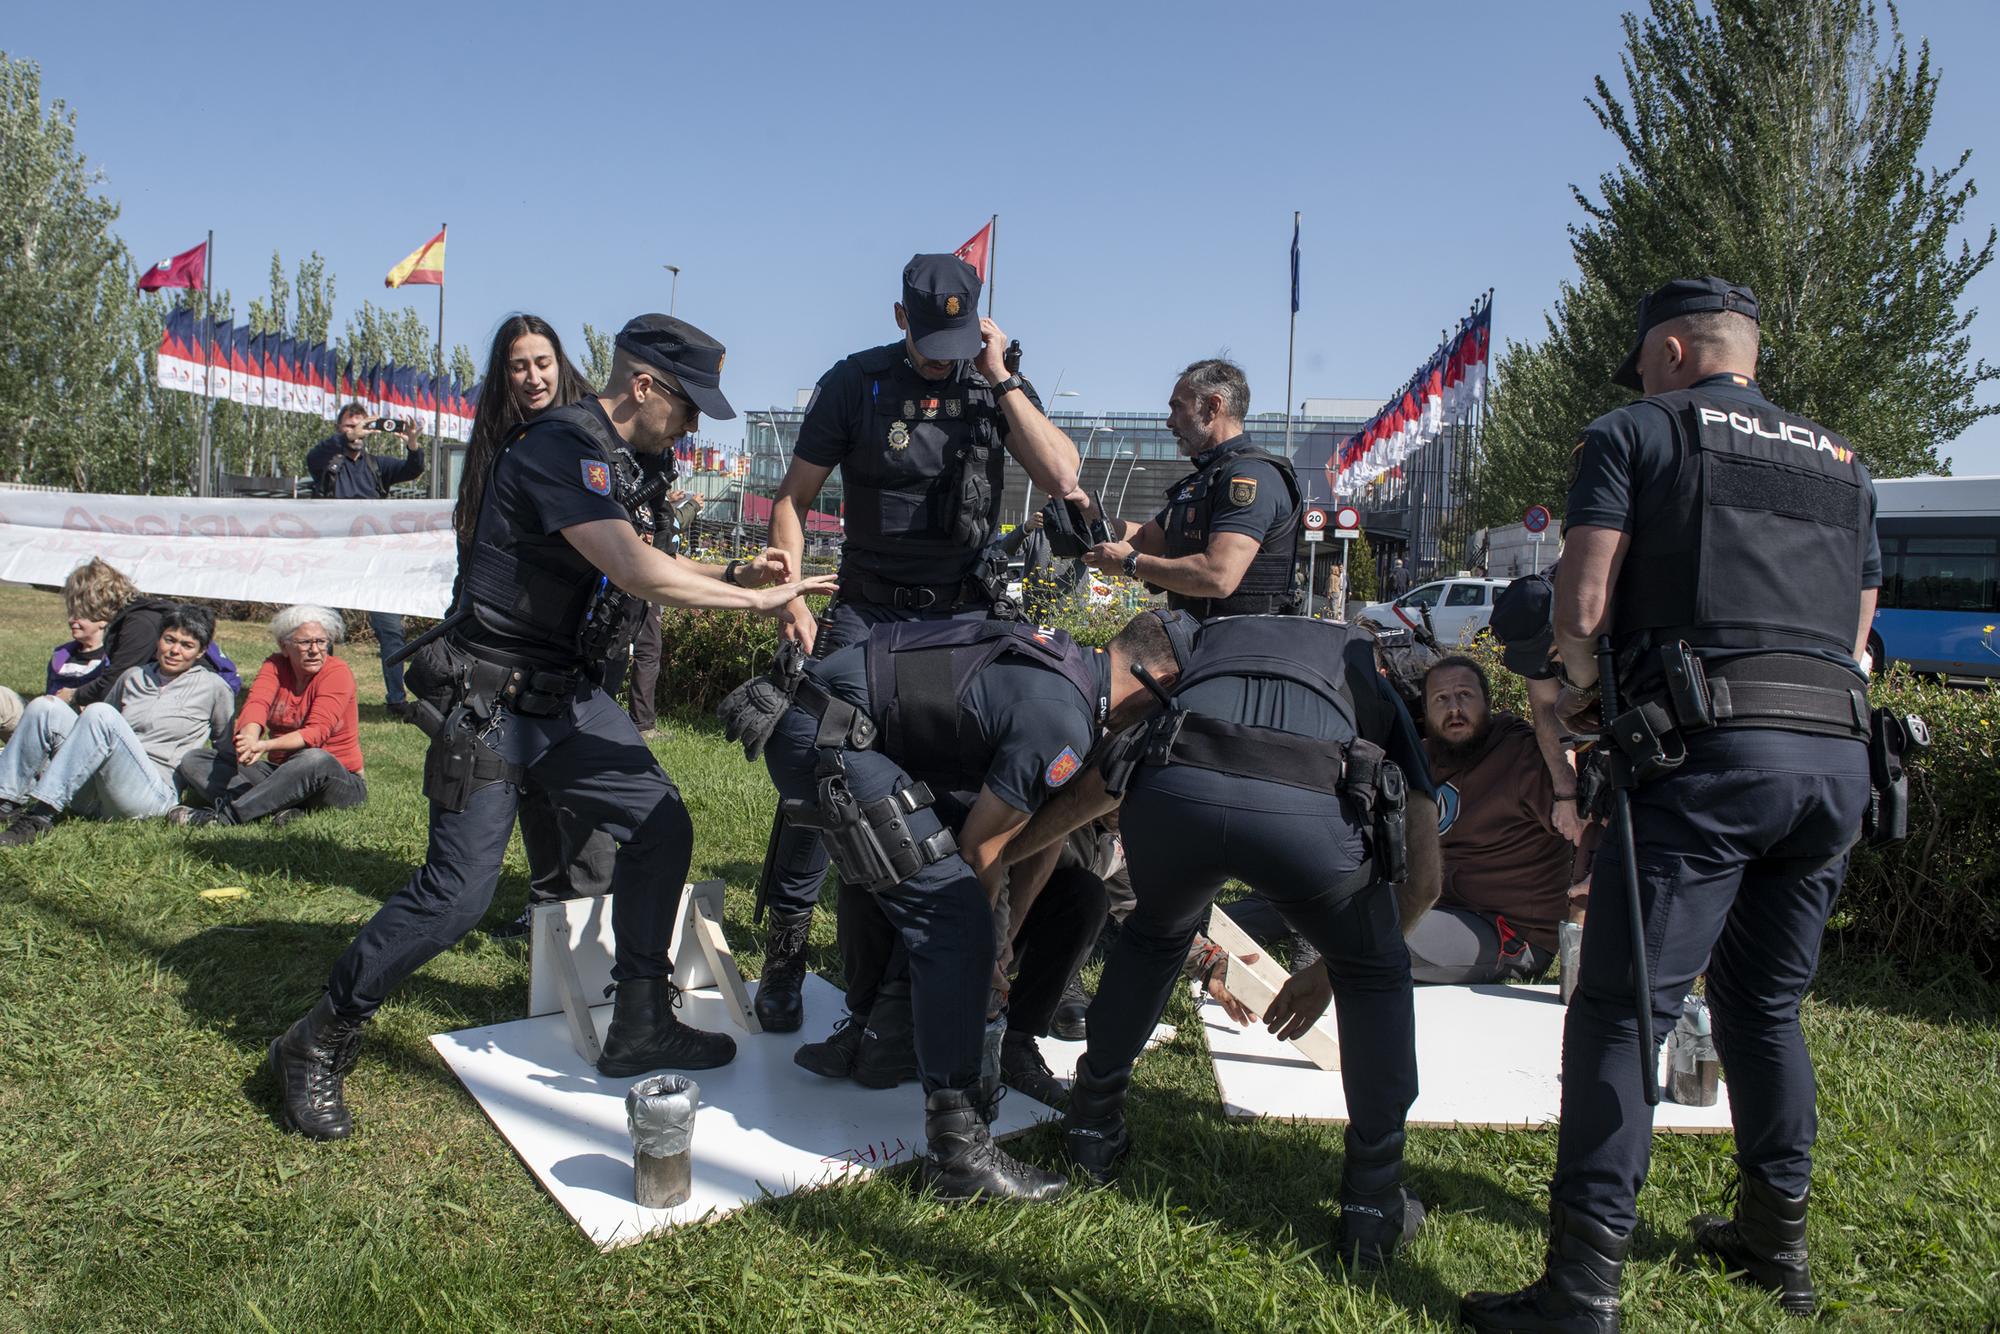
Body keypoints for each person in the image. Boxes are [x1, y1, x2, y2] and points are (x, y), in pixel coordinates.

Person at [265, 313, 835, 1141]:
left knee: (659, 824)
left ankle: (640, 1020)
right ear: (645, 386)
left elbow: (634, 551)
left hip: (565, 698)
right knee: (455, 898)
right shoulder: (558, 446)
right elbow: (632, 566)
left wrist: (732, 569)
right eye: (688, 406)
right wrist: (757, 600)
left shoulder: (611, 459)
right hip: (490, 701)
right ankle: (316, 1039)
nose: (691, 423)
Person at [1460, 278, 1879, 1330]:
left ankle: (1579, 1287)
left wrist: (1566, 681)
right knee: (1763, 1004)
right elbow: (1858, 623)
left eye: (1645, 360)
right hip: (1832, 759)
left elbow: (1585, 596)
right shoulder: (1841, 463)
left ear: (1678, 351)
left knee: (1618, 1009)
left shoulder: (1634, 431)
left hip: (1707, 758)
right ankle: (1770, 1242)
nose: (1639, 378)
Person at [1004, 612, 1442, 1269]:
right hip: (1309, 818)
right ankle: (1373, 1204)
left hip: (1179, 798)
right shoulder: (1370, 683)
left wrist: (996, 854)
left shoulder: (1202, 660)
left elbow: (1099, 787)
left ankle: (1092, 1126)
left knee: (1154, 935)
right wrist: (1329, 972)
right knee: (1375, 973)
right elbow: (1427, 881)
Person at [726, 610, 1191, 1199]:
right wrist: (988, 947)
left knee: (951, 896)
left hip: (833, 716)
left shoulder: (1069, 670)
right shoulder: (1064, 717)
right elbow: (981, 849)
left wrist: (999, 938)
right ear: (1160, 682)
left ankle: (901, 1036)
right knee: (954, 915)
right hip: (824, 732)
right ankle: (958, 1153)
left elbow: (1035, 833)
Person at [752, 253, 1084, 1034]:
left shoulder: (992, 383)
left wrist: (1000, 378)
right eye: (933, 334)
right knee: (817, 761)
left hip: (963, 618)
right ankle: (786, 951)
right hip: (868, 612)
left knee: (964, 780)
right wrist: (790, 592)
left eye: (961, 333)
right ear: (900, 318)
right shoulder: (856, 383)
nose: (946, 350)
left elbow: (1064, 475)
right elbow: (792, 500)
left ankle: (950, 962)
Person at [456, 315, 619, 940]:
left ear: (561, 363)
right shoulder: (500, 441)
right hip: (511, 649)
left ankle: (588, 917)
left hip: (581, 646)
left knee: (582, 792)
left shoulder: (588, 436)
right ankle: (550, 908)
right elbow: (474, 547)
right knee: (529, 781)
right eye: (518, 366)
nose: (532, 377)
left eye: (542, 362)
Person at [1080, 359, 1303, 620]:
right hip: (1202, 641)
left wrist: (1131, 563)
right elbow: (1143, 538)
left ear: (1212, 407)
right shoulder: (1205, 480)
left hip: (1241, 648)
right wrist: (1083, 507)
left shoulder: (1248, 477)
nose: (1169, 422)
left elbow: (1218, 576)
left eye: (1177, 408)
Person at [0, 606, 235, 846]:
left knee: (101, 713)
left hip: (151, 794)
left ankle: (40, 816)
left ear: (201, 651)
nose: (175, 650)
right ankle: (6, 801)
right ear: (158, 639)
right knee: (45, 707)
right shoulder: (133, 676)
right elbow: (96, 730)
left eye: (187, 645)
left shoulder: (214, 688)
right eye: (170, 640)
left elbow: (225, 750)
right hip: (97, 788)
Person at [1408, 656, 1574, 984]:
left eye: (1465, 695)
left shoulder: (1522, 756)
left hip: (1509, 932)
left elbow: (1585, 834)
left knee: (1375, 942)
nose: (1454, 708)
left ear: (1487, 703)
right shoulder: (1423, 758)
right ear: (1426, 712)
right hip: (1438, 908)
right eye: (1441, 699)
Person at [171, 604, 365, 828]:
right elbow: (256, 705)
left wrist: (264, 746)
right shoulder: (275, 665)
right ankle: (280, 807)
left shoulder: (337, 672)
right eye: (305, 643)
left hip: (335, 779)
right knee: (196, 760)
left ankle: (225, 817)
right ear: (285, 646)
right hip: (281, 773)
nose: (315, 650)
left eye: (321, 642)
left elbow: (316, 733)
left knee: (314, 758)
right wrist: (250, 740)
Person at [304, 404, 427, 719]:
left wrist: (413, 444)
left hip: (375, 561)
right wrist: (342, 440)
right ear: (339, 429)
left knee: (390, 631)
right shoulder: (328, 463)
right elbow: (312, 457)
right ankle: (320, 694)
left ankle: (396, 699)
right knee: (323, 629)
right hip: (334, 559)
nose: (357, 432)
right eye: (349, 426)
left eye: (362, 426)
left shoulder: (375, 465)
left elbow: (412, 470)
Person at [1488, 565, 1589, 845]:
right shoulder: (1534, 620)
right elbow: (1545, 707)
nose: (1555, 665)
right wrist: (1565, 790)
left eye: (1555, 654)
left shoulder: (1595, 597)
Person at [46, 559, 125, 703]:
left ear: (104, 619)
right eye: (70, 613)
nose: (71, 620)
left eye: (81, 614)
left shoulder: (112, 660)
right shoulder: (60, 655)